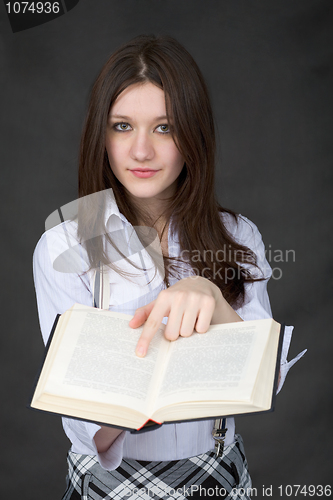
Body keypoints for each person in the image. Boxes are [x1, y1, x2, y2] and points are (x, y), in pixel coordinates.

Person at [33, 35, 304, 499]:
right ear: (100, 134)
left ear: (193, 134)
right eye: (122, 126)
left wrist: (213, 298)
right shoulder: (64, 245)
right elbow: (84, 428)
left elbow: (266, 380)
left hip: (217, 476)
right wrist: (147, 395)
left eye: (164, 127)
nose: (141, 151)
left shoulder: (238, 236)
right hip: (107, 485)